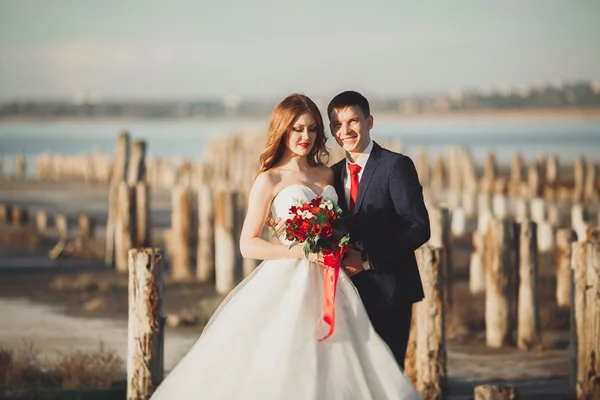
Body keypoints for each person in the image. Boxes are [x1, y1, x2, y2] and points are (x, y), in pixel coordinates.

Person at [149, 93, 420, 400]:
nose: (306, 136)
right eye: (297, 129)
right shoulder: (269, 180)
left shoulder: (328, 173)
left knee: (341, 363)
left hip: (336, 281)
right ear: (282, 130)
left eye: (312, 129)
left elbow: (352, 224)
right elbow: (247, 244)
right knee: (286, 362)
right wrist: (299, 250)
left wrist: (340, 246)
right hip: (288, 281)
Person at [327, 90, 431, 369]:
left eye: (353, 121)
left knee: (388, 372)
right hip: (344, 293)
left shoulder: (396, 165)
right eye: (337, 124)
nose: (346, 130)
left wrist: (367, 260)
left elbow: (419, 227)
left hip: (390, 291)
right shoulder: (332, 174)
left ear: (369, 121)